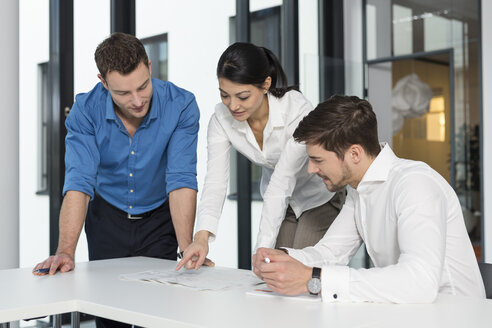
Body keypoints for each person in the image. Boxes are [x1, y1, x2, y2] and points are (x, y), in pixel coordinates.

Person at [33, 32, 199, 326]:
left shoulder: (181, 105)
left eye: (143, 86)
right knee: (109, 316)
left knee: (158, 314)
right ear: (103, 82)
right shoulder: (85, 111)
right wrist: (65, 251)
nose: (137, 100)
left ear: (149, 65)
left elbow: (180, 178)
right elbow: (79, 182)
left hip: (159, 218)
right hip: (106, 218)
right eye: (123, 93)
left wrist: (187, 249)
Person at [253, 95, 486, 303]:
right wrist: (283, 256)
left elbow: (419, 282)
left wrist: (314, 279)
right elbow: (331, 253)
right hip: (408, 312)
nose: (311, 170)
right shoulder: (358, 190)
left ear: (354, 153)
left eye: (318, 160)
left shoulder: (414, 184)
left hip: (455, 314)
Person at [177, 42, 344, 271]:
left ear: (266, 84)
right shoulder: (220, 120)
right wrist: (201, 237)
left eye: (243, 96)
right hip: (282, 204)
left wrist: (259, 251)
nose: (233, 105)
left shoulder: (296, 109)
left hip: (318, 198)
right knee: (272, 272)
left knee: (296, 269)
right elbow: (215, 182)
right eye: (225, 95)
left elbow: (283, 179)